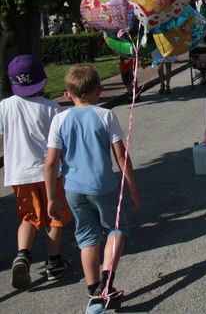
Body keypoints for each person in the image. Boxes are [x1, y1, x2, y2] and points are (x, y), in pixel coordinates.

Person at [44, 65, 140, 311]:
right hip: (103, 185)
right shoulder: (105, 116)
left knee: (86, 237)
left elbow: (51, 162)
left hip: (73, 187)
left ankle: (93, 290)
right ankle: (106, 281)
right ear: (100, 90)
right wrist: (131, 187)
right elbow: (121, 156)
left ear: (67, 94)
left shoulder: (60, 119)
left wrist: (51, 197)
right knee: (116, 228)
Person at [1, 55, 72, 289]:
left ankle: (23, 254)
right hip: (51, 173)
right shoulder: (52, 109)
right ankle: (54, 262)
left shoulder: (4, 107)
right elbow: (61, 145)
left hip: (19, 174)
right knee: (55, 217)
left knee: (28, 217)